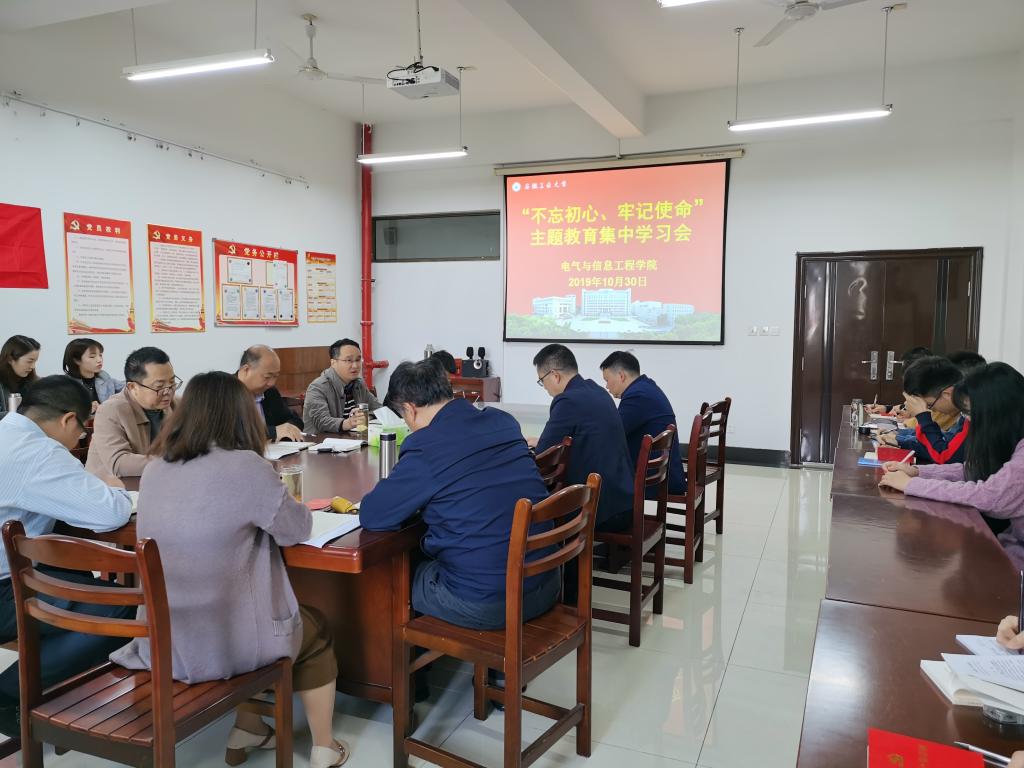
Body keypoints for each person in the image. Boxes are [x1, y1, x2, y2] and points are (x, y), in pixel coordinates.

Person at [110, 371, 349, 768]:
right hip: (224, 643)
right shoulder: (246, 467)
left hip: (163, 640)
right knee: (315, 628)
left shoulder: (155, 468)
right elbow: (296, 529)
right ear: (241, 415)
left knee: (240, 606)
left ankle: (249, 726)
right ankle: (325, 747)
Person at [359, 358, 558, 630]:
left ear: (410, 409)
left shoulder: (426, 447)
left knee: (392, 571)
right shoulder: (502, 421)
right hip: (545, 583)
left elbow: (373, 514)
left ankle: (414, 656)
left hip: (490, 603)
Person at [0, 376, 134, 737]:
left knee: (79, 582)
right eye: (82, 428)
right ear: (68, 419)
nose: (81, 436)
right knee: (122, 611)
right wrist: (115, 490)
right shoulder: (38, 452)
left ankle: (45, 690)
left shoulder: (6, 432)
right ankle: (8, 695)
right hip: (2, 591)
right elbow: (108, 513)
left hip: (12, 574)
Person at [879, 363, 1024, 568]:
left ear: (996, 410)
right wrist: (918, 472)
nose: (969, 420)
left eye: (972, 413)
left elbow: (990, 496)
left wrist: (912, 485)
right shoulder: (1012, 435)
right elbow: (976, 469)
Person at [529, 344, 634, 531]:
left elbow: (543, 458)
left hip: (599, 510)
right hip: (622, 500)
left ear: (555, 375)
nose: (544, 387)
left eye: (541, 381)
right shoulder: (597, 391)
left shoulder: (567, 401)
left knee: (529, 496)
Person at [599, 351, 685, 496]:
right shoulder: (646, 387)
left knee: (592, 474)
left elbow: (612, 433)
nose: (607, 386)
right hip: (664, 470)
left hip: (656, 478)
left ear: (621, 376)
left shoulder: (637, 396)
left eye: (607, 380)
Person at [86, 347, 179, 478]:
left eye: (172, 383)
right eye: (159, 386)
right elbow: (119, 463)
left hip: (157, 480)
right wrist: (173, 461)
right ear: (133, 387)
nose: (168, 391)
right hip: (112, 486)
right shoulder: (111, 410)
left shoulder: (177, 404)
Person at [878, 356, 968, 465]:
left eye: (929, 405)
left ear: (947, 394)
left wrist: (923, 416)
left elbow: (944, 456)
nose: (932, 410)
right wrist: (899, 441)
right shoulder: (964, 415)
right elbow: (944, 443)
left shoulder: (974, 415)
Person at [303, 339, 381, 434]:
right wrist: (348, 423)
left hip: (351, 439)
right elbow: (321, 421)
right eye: (349, 360)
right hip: (320, 441)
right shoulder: (317, 388)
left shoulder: (359, 384)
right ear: (333, 363)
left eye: (358, 360)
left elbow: (379, 409)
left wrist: (366, 417)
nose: (355, 366)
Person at [238, 345, 304, 441]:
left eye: (275, 376)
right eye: (267, 377)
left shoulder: (269, 392)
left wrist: (288, 428)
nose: (272, 383)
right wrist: (273, 432)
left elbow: (294, 420)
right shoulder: (223, 391)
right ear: (246, 370)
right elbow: (232, 433)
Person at [865, 346, 933, 417]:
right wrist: (886, 409)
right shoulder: (922, 390)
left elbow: (924, 415)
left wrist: (912, 417)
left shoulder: (931, 396)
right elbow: (906, 408)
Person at [63, 337, 124, 412]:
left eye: (100, 355)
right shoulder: (65, 385)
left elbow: (126, 387)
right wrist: (86, 410)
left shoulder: (104, 377)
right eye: (92, 357)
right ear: (76, 360)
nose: (99, 360)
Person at [0, 335, 40, 421]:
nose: (33, 366)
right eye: (29, 361)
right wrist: (16, 413)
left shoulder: (33, 382)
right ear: (10, 359)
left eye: (35, 361)